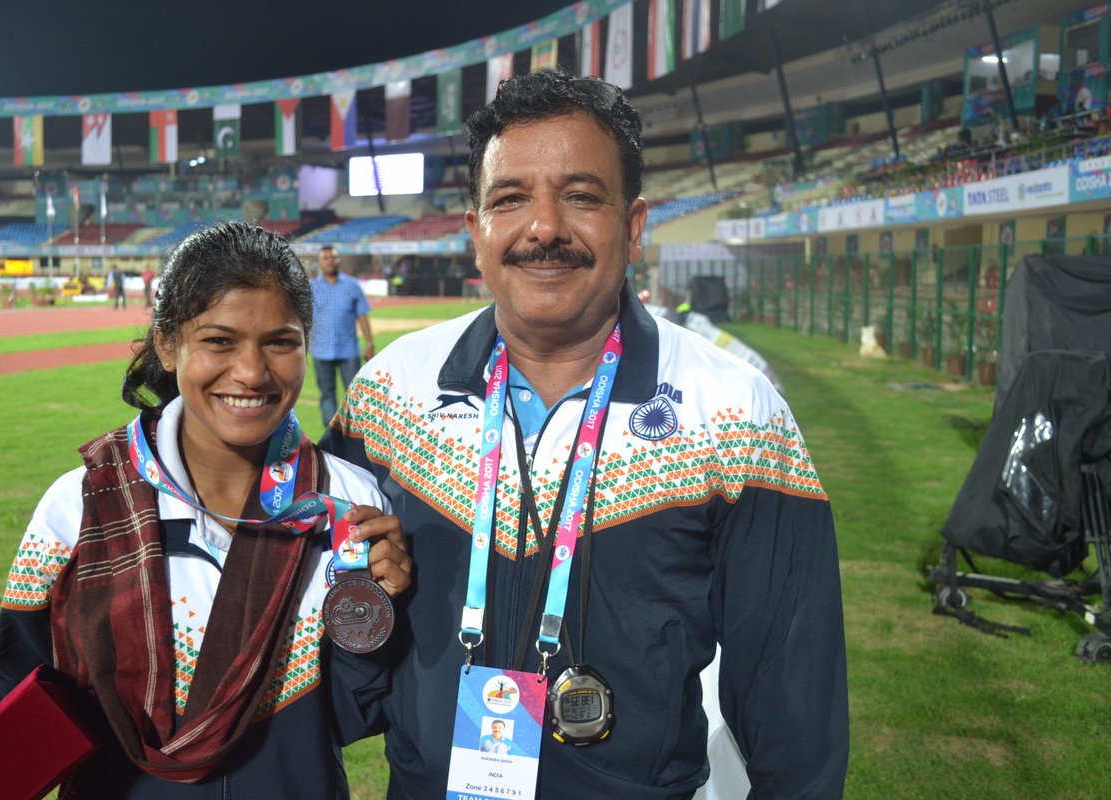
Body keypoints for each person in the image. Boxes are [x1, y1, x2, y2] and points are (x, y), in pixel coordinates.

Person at [322, 70, 848, 798]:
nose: (544, 228)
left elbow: (795, 708)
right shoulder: (388, 394)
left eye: (580, 196)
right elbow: (325, 619)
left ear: (633, 226)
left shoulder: (735, 412)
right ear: (475, 232)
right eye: (510, 199)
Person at [0, 221, 412, 797]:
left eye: (280, 341)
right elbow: (12, 681)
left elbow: (353, 716)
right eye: (220, 341)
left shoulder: (348, 505)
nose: (251, 371)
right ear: (168, 345)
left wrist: (376, 616)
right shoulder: (79, 507)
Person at [309, 245, 374, 428]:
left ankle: (355, 433)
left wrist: (369, 342)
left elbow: (362, 314)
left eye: (333, 257)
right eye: (325, 258)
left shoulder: (352, 285)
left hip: (349, 351)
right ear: (319, 263)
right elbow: (305, 319)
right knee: (327, 395)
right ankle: (331, 436)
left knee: (354, 394)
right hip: (321, 351)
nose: (330, 261)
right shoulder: (312, 287)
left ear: (339, 260)